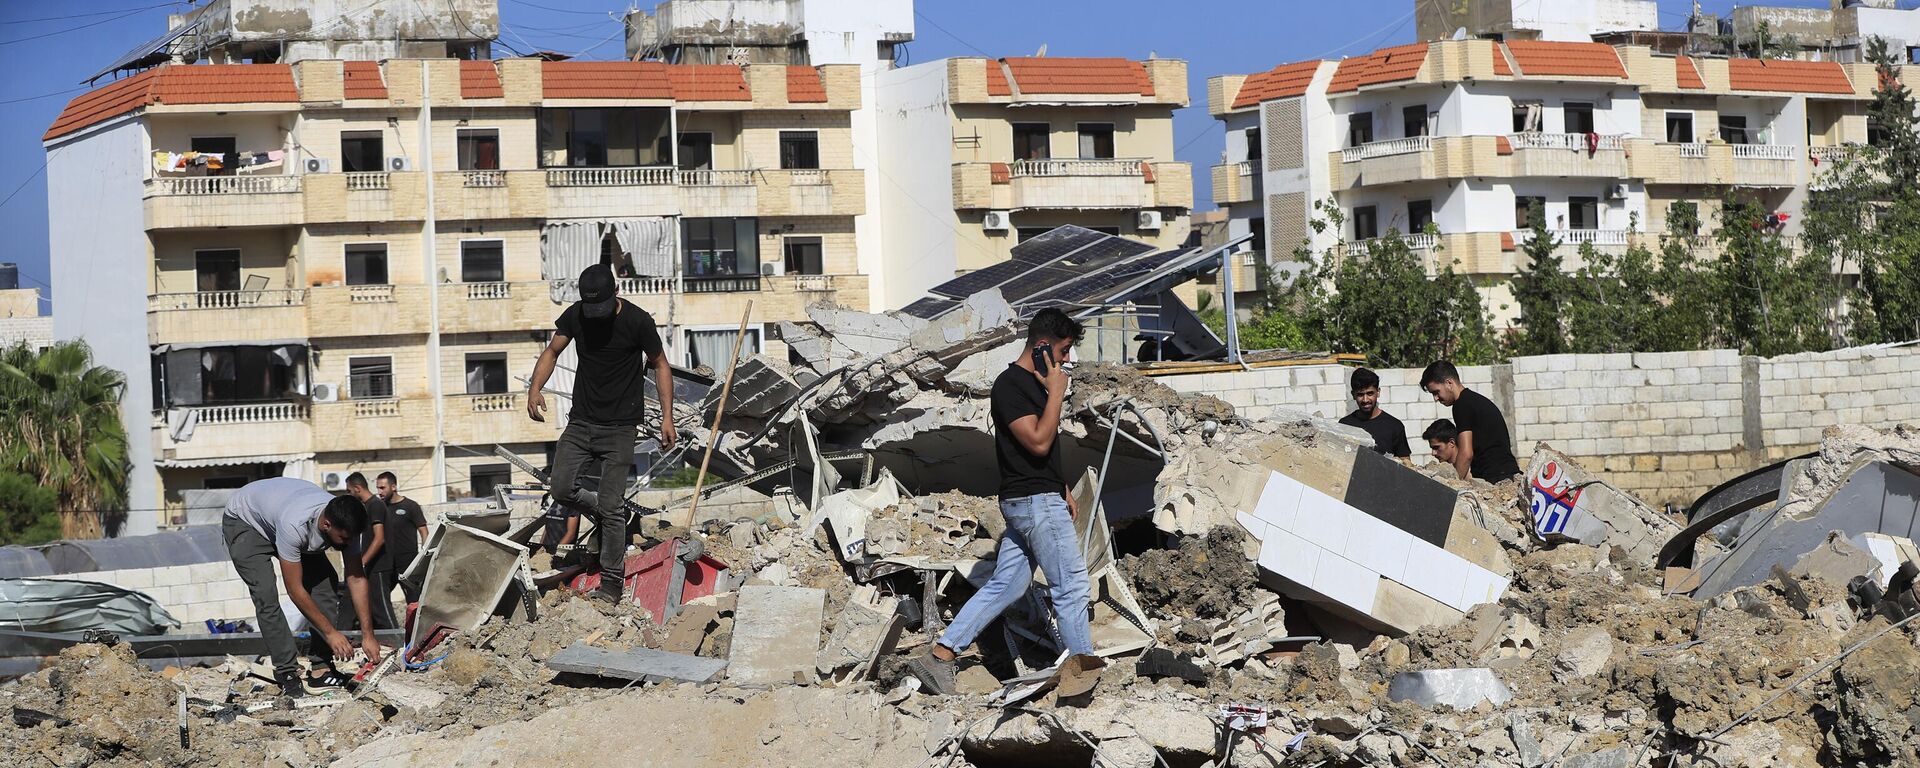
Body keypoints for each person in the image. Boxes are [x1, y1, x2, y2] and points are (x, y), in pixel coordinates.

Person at [908, 308, 1095, 695]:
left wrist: (1060, 485)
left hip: (1037, 497)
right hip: (1033, 504)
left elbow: (1034, 453)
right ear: (1042, 346)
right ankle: (1082, 678)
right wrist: (1057, 393)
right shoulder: (1010, 385)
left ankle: (941, 654)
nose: (1065, 360)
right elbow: (1039, 440)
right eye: (1063, 350)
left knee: (1006, 585)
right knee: (1072, 587)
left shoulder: (1036, 386)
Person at [527, 264, 678, 602]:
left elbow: (660, 364)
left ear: (616, 292)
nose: (596, 316)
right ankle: (607, 508)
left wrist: (668, 417)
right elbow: (552, 351)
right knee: (561, 488)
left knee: (611, 507)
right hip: (581, 422)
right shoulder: (577, 315)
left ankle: (611, 584)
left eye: (602, 308)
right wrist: (535, 388)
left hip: (621, 428)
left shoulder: (638, 321)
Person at [221, 477, 383, 697]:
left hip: (279, 509)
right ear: (327, 525)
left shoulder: (346, 525)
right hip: (246, 520)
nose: (347, 544)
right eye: (343, 539)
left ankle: (321, 669)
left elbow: (356, 577)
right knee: (266, 594)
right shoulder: (294, 526)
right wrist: (331, 633)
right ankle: (287, 671)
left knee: (325, 583)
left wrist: (368, 635)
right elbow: (295, 589)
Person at [1419, 361, 1522, 483]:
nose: (1436, 398)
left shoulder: (1461, 405)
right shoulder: (1473, 400)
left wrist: (1454, 485)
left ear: (1449, 383)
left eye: (1436, 392)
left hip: (1496, 477)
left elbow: (1466, 453)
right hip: (1506, 474)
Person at [341, 472, 396, 629]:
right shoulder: (367, 507)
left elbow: (379, 538)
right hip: (370, 566)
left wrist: (362, 562)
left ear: (357, 488)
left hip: (379, 566)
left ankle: (397, 640)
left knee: (381, 609)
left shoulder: (375, 505)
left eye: (349, 491)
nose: (349, 494)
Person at [375, 472, 428, 605]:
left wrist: (424, 556)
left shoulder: (410, 506)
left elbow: (423, 531)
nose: (379, 492)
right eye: (378, 488)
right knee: (379, 599)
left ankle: (415, 626)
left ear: (393, 487)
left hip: (408, 563)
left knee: (414, 600)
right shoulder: (380, 508)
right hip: (387, 562)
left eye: (382, 488)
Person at [1337, 368, 1410, 458]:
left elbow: (1405, 463)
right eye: (1360, 394)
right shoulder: (1344, 425)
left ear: (1378, 392)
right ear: (1353, 395)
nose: (1365, 400)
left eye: (1370, 393)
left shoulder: (1394, 426)